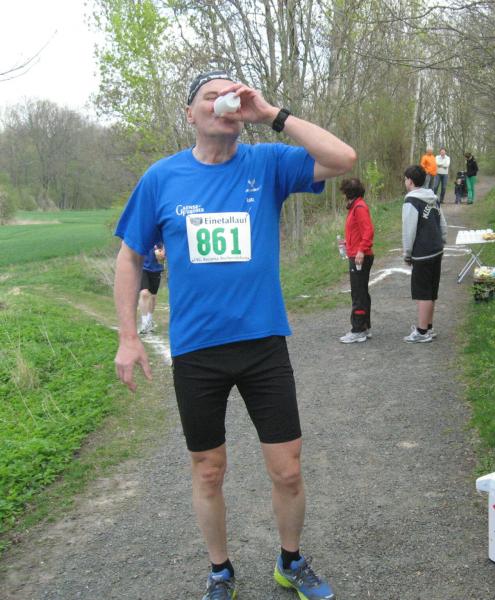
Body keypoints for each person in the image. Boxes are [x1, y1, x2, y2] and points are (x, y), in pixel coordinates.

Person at [113, 69, 356, 600]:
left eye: (231, 94)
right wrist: (129, 336)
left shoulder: (266, 164)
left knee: (288, 470)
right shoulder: (161, 178)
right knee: (208, 470)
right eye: (210, 96)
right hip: (198, 350)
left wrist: (271, 114)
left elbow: (343, 159)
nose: (223, 102)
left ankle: (290, 561)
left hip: (262, 343)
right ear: (190, 114)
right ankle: (220, 570)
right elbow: (130, 257)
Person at [401, 165, 447, 343]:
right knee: (431, 290)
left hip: (422, 253)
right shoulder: (432, 197)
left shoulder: (411, 200)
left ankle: (421, 332)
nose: (405, 182)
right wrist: (442, 239)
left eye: (406, 179)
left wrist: (407, 253)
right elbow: (442, 221)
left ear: (410, 181)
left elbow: (409, 229)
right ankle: (428, 327)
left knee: (423, 293)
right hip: (436, 249)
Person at [338, 178, 374, 344]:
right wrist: (348, 243)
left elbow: (368, 231)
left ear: (348, 193)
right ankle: (364, 327)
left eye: (344, 192)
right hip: (357, 253)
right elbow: (358, 232)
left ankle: (358, 330)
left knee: (358, 293)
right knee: (362, 292)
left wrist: (360, 250)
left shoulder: (359, 207)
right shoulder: (355, 207)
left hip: (360, 257)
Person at [138, 243, 165, 335]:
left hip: (156, 269)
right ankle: (144, 322)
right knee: (144, 293)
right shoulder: (144, 235)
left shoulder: (160, 238)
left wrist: (162, 254)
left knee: (153, 297)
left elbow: (164, 253)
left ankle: (150, 319)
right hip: (142, 267)